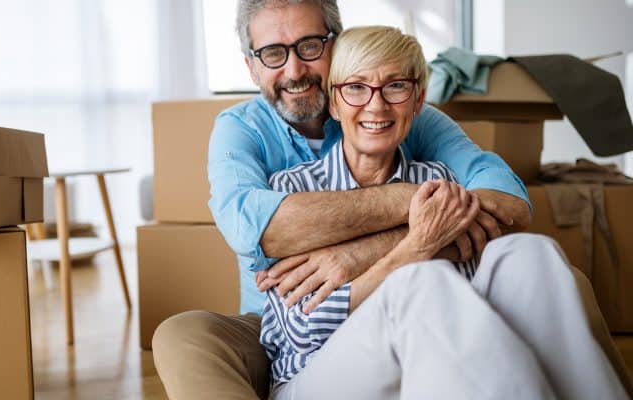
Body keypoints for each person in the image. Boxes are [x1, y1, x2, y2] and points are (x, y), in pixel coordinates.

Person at [152, 1, 631, 398]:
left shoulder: (416, 126)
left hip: (423, 311)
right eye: (273, 53)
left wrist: (365, 250)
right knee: (182, 334)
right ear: (252, 66)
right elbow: (254, 230)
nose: (295, 69)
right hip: (284, 335)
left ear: (335, 48)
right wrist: (418, 216)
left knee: (531, 255)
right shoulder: (246, 135)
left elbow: (507, 202)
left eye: (309, 46)